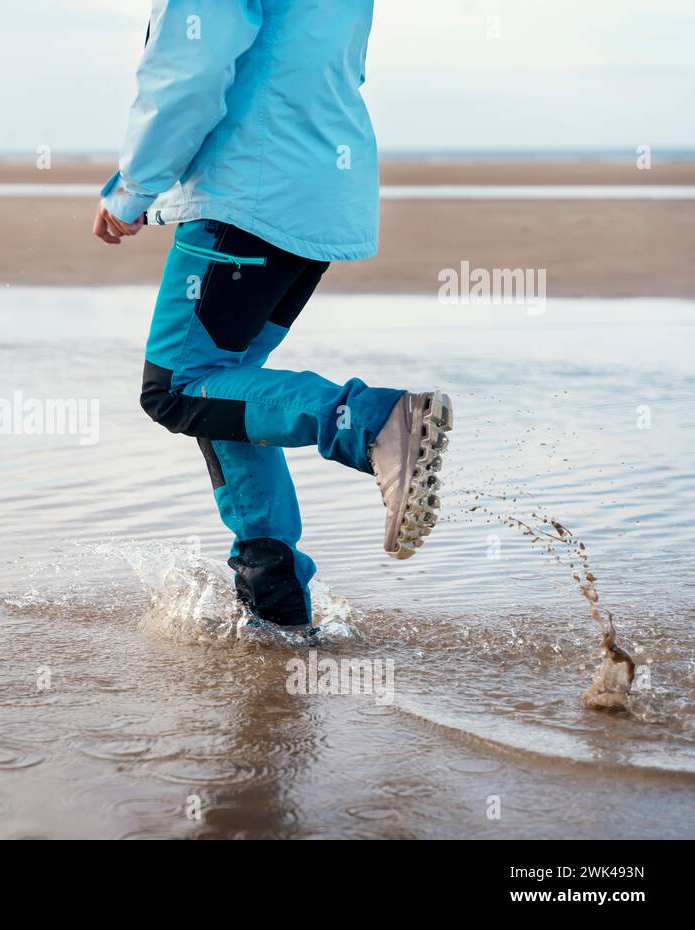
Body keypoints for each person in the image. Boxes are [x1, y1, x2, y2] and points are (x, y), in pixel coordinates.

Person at [93, 0, 452, 633]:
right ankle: (275, 606)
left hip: (246, 198)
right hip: (316, 196)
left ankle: (376, 422)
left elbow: (190, 71)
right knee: (223, 387)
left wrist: (135, 187)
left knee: (176, 388)